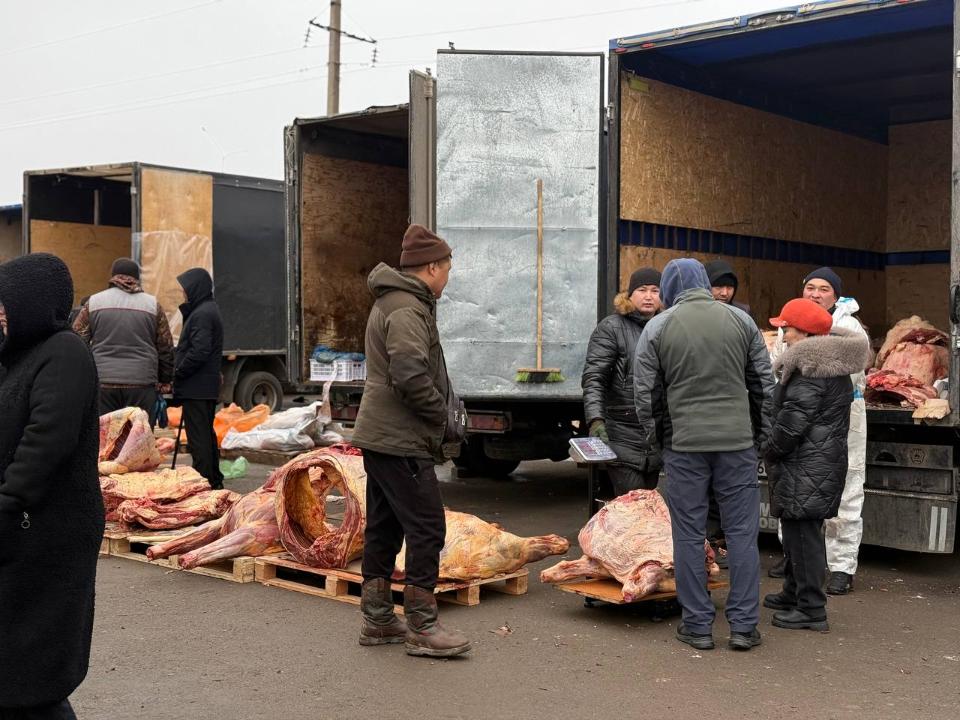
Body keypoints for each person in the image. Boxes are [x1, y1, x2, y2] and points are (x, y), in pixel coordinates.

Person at [634, 258, 773, 652]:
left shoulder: (657, 327)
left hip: (684, 446)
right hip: (737, 445)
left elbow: (646, 395)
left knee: (688, 534)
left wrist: (659, 442)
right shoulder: (741, 321)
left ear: (668, 288)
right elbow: (763, 385)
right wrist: (758, 437)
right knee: (742, 534)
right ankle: (744, 626)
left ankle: (697, 625)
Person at [352, 223, 470, 658]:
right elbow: (409, 374)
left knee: (384, 526)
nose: (448, 278)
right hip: (399, 438)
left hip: (383, 436)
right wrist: (443, 415)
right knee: (427, 527)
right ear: (433, 267)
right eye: (448, 269)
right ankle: (422, 625)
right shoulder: (406, 308)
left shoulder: (397, 301)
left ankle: (379, 619)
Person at [0, 253, 105, 719]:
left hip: (49, 529)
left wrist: (8, 502)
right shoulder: (18, 355)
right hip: (22, 523)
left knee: (34, 668)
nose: (0, 313)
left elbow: (47, 439)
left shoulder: (64, 353)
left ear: (32, 302)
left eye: (5, 303)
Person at [762, 298, 869, 631]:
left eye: (787, 328)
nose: (784, 333)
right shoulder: (827, 366)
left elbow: (792, 423)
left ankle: (811, 608)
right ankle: (793, 592)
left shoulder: (810, 372)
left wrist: (769, 449)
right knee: (798, 532)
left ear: (805, 333)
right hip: (815, 463)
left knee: (804, 537)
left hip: (806, 464)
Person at [581, 267, 663, 494]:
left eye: (655, 290)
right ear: (630, 294)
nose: (649, 296)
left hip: (656, 437)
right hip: (621, 432)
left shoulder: (666, 327)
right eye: (642, 290)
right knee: (633, 502)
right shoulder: (612, 327)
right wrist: (595, 419)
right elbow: (594, 378)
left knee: (651, 504)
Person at [73, 258, 174, 425]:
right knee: (139, 436)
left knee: (106, 435)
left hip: (103, 382)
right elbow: (165, 346)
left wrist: (82, 376)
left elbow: (78, 341)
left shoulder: (94, 303)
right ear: (137, 277)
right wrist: (165, 380)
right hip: (142, 383)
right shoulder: (152, 305)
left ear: (113, 276)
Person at [174, 268, 224, 490]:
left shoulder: (202, 313)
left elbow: (199, 351)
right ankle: (213, 480)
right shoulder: (206, 309)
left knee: (199, 439)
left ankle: (204, 482)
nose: (183, 293)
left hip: (197, 386)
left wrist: (179, 371)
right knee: (205, 434)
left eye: (185, 289)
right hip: (203, 386)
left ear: (195, 288)